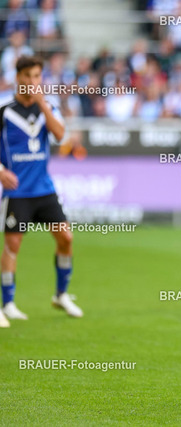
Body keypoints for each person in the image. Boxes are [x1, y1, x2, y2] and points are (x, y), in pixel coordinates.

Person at [0, 55, 83, 329]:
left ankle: (61, 295)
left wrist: (42, 104)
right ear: (18, 77)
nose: (32, 81)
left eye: (37, 76)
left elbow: (60, 135)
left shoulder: (49, 107)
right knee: (12, 246)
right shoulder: (4, 110)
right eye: (27, 76)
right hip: (17, 192)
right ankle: (7, 304)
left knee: (66, 238)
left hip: (44, 190)